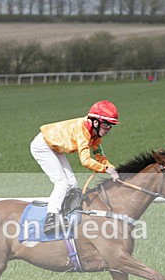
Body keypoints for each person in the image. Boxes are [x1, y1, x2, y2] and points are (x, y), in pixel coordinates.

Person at [30, 100, 120, 234]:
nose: (109, 130)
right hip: (42, 146)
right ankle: (51, 219)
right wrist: (106, 169)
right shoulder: (83, 131)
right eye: (107, 125)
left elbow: (100, 157)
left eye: (111, 126)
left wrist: (113, 169)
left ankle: (66, 215)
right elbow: (85, 160)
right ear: (96, 122)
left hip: (54, 147)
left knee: (73, 184)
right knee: (62, 184)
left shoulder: (95, 134)